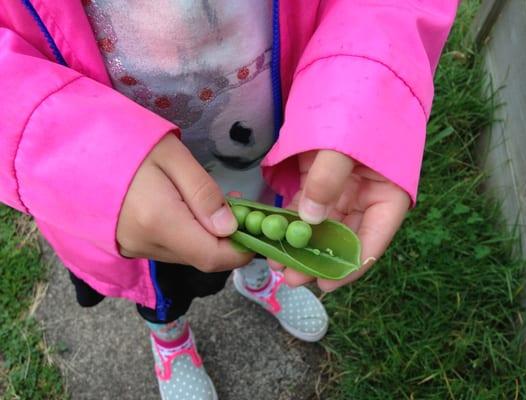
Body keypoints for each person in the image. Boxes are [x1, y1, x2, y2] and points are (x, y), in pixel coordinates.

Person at [0, 1, 459, 398]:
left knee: (266, 231)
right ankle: (170, 337)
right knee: (163, 284)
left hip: (264, 146)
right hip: (121, 185)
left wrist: (362, 84)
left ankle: (258, 280)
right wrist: (65, 148)